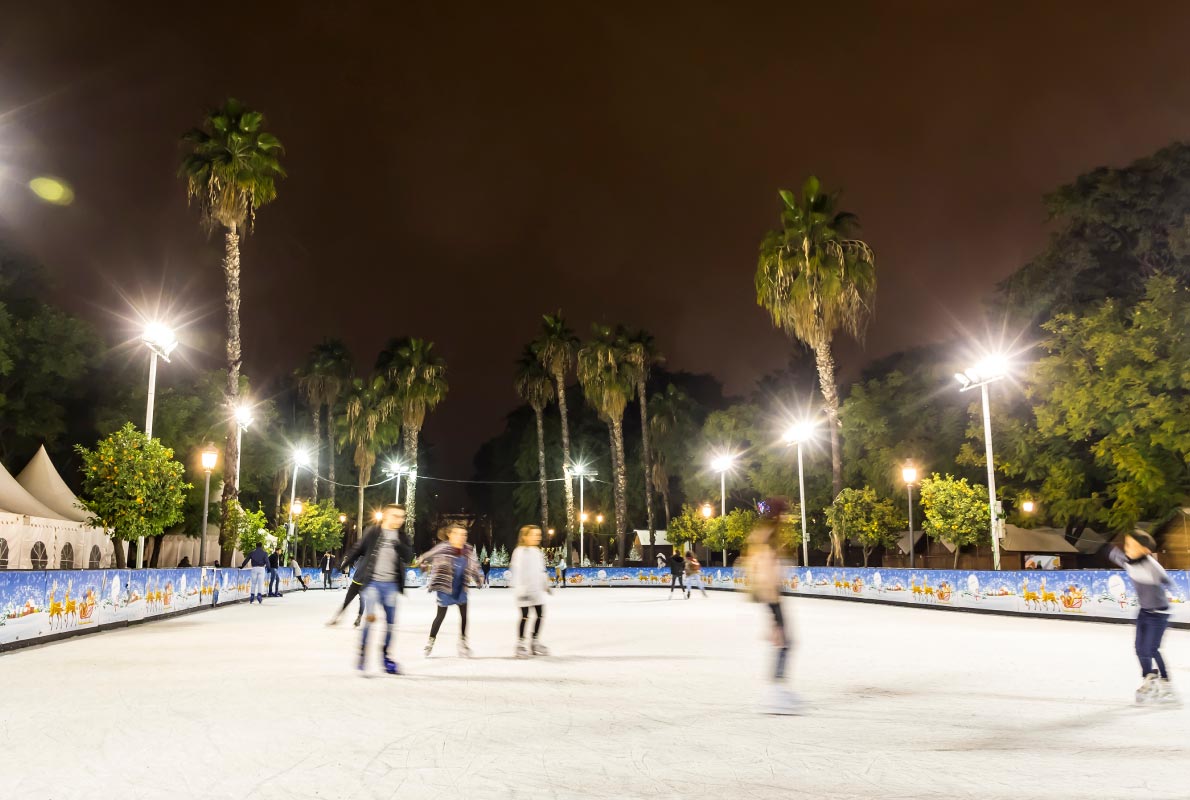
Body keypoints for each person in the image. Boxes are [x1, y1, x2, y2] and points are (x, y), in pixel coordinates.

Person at [338, 504, 413, 674]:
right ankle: (363, 653)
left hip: (391, 586)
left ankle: (386, 657)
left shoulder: (402, 536)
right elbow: (358, 549)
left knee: (391, 624)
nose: (399, 520)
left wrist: (397, 544)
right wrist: (343, 564)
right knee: (371, 618)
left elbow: (409, 557)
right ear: (386, 515)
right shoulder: (373, 531)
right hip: (371, 583)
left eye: (402, 517)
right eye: (395, 516)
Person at [1107, 530, 1178, 705]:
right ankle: (1150, 678)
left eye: (1131, 545)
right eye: (1126, 544)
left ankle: (1166, 684)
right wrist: (1105, 548)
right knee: (1140, 648)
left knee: (1152, 649)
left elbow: (1168, 581)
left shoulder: (1152, 566)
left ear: (1145, 550)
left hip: (1159, 613)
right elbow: (1116, 556)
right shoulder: (1128, 562)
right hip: (1144, 612)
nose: (1127, 548)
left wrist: (1167, 587)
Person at [743, 502, 801, 714]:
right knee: (785, 641)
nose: (786, 518)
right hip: (771, 595)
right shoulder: (767, 539)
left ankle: (776, 688)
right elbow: (764, 572)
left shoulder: (765, 536)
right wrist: (772, 605)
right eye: (784, 514)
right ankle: (775, 690)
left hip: (771, 595)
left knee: (784, 641)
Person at [421, 524, 484, 657]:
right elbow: (426, 556)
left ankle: (462, 642)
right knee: (440, 616)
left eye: (464, 535)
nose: (461, 537)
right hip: (445, 587)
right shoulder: (443, 548)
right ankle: (430, 641)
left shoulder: (468, 549)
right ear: (450, 535)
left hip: (461, 587)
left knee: (464, 616)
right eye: (457, 534)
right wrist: (423, 563)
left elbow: (474, 566)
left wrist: (478, 578)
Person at [510, 525, 551, 657]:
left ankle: (535, 641)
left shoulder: (537, 552)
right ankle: (520, 643)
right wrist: (520, 589)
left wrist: (545, 585)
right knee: (525, 616)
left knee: (540, 614)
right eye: (534, 535)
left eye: (538, 535)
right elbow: (517, 571)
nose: (537, 537)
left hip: (536, 590)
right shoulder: (519, 552)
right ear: (525, 536)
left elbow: (541, 570)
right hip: (524, 591)